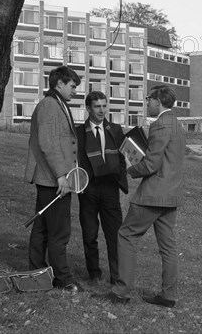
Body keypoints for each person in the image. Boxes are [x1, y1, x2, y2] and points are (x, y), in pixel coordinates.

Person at [95, 84, 186, 307]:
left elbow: (152, 164)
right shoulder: (177, 125)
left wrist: (130, 167)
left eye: (148, 99)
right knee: (168, 246)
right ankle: (169, 296)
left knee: (126, 235)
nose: (147, 103)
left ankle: (121, 292)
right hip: (171, 195)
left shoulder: (159, 126)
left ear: (158, 101)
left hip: (153, 195)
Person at [24, 66, 82, 294]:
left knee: (43, 228)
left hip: (52, 178)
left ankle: (37, 273)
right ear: (59, 84)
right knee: (59, 231)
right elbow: (48, 143)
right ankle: (63, 279)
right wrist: (61, 175)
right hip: (53, 179)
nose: (75, 91)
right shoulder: (49, 106)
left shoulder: (56, 104)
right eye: (72, 86)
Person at [77, 91, 128, 285]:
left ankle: (117, 276)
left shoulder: (115, 129)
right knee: (90, 234)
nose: (101, 110)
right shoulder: (79, 133)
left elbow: (123, 158)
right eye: (97, 106)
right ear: (88, 108)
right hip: (88, 189)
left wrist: (120, 180)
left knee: (114, 234)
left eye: (104, 106)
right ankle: (94, 273)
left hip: (110, 189)